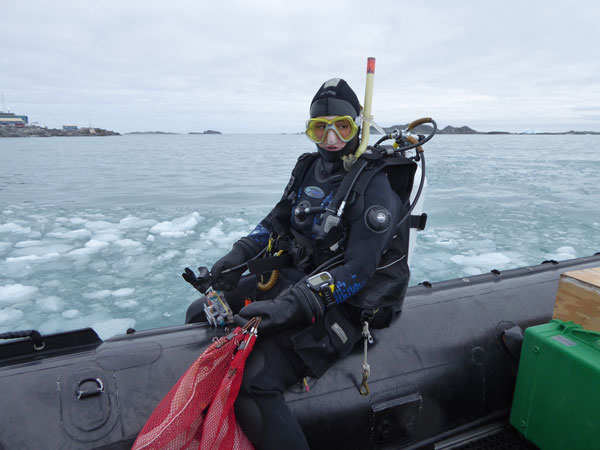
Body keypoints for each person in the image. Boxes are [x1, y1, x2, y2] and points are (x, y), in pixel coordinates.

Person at [186, 78, 413, 449]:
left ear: (359, 125)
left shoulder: (375, 185)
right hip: (300, 278)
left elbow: (358, 271)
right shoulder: (308, 168)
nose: (331, 139)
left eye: (343, 126)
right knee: (200, 312)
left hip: (346, 302)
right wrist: (239, 255)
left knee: (254, 378)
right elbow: (277, 219)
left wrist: (291, 305)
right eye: (319, 128)